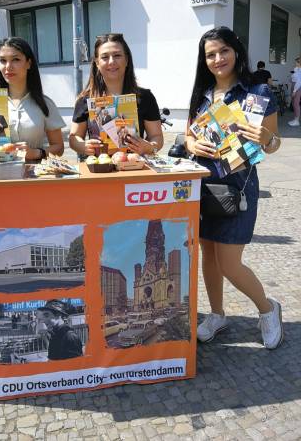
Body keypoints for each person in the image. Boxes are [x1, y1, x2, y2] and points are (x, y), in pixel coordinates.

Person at [184, 26, 283, 350]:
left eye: (223, 51)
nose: (218, 59)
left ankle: (267, 309)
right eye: (210, 54)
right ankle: (217, 314)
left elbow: (273, 143)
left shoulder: (257, 92)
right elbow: (188, 136)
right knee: (209, 256)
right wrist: (193, 145)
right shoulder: (203, 94)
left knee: (229, 262)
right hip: (203, 183)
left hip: (238, 184)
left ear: (236, 51)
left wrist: (266, 138)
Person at [69, 33, 163, 156]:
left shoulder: (145, 97)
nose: (112, 61)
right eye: (105, 57)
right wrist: (82, 146)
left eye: (117, 55)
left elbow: (157, 137)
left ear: (127, 60)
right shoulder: (85, 100)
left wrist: (149, 147)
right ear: (97, 63)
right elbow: (74, 138)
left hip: (134, 165)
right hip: (99, 165)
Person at [288, 56, 301, 127]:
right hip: (294, 85)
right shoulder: (296, 69)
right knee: (293, 103)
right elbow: (293, 77)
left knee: (296, 103)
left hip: (297, 87)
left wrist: (294, 91)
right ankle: (295, 118)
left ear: (299, 63)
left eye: (296, 62)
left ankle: (297, 120)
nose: (295, 63)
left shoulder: (300, 70)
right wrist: (291, 78)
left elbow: (299, 82)